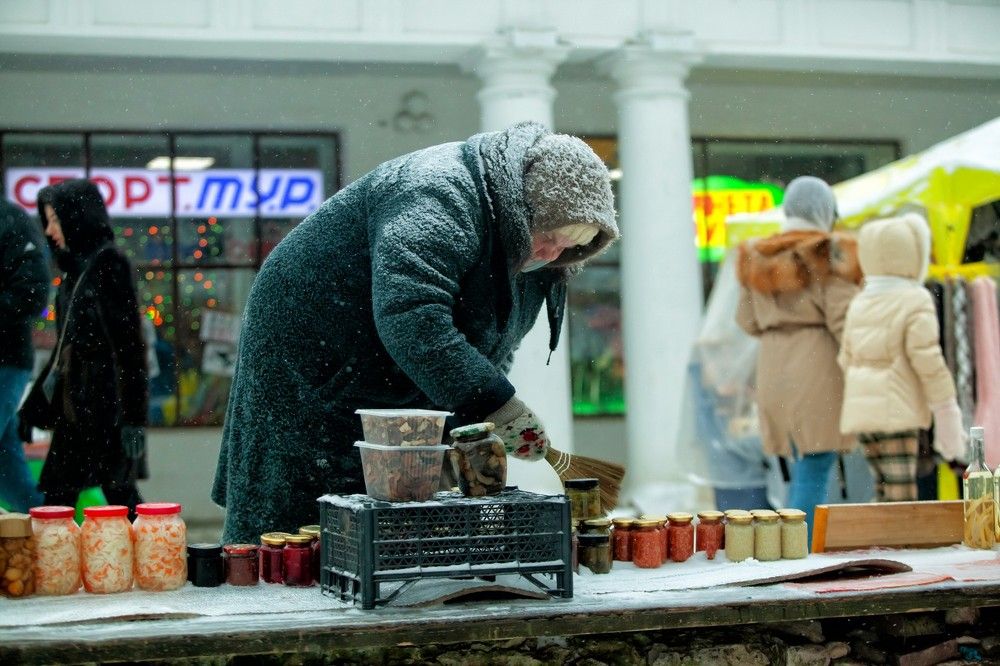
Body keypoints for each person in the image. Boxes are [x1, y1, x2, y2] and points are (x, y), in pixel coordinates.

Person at [213, 122, 619, 543]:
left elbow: (490, 341)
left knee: (399, 527)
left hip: (395, 383)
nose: (551, 253)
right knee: (293, 534)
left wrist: (477, 420)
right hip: (313, 370)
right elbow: (412, 315)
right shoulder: (437, 190)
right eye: (549, 235)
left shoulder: (536, 257)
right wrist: (494, 402)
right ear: (524, 207)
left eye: (569, 248)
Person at [735, 176, 862, 539]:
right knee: (817, 463)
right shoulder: (825, 253)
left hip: (773, 367)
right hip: (816, 365)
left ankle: (794, 544)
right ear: (825, 210)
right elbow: (844, 321)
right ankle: (799, 551)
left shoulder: (757, 256)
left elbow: (746, 320)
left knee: (799, 464)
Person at [17, 179, 148, 517]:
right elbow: (64, 352)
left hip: (105, 410)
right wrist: (32, 410)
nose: (49, 230)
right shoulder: (74, 274)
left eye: (55, 220)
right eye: (47, 220)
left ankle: (158, 559)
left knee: (120, 499)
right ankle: (55, 565)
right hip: (78, 411)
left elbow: (130, 348)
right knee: (62, 501)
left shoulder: (107, 265)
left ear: (77, 218)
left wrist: (133, 417)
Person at [839, 213, 964, 501]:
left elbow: (845, 358)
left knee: (882, 490)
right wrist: (946, 411)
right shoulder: (914, 299)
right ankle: (900, 545)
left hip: (861, 413)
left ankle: (879, 544)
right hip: (898, 410)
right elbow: (929, 362)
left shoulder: (860, 301)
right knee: (901, 496)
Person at [0, 198, 50, 512]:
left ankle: (44, 538)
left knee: (8, 464)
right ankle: (44, 540)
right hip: (8, 358)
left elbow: (32, 290)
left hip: (5, 360)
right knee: (7, 464)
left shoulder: (9, 221)